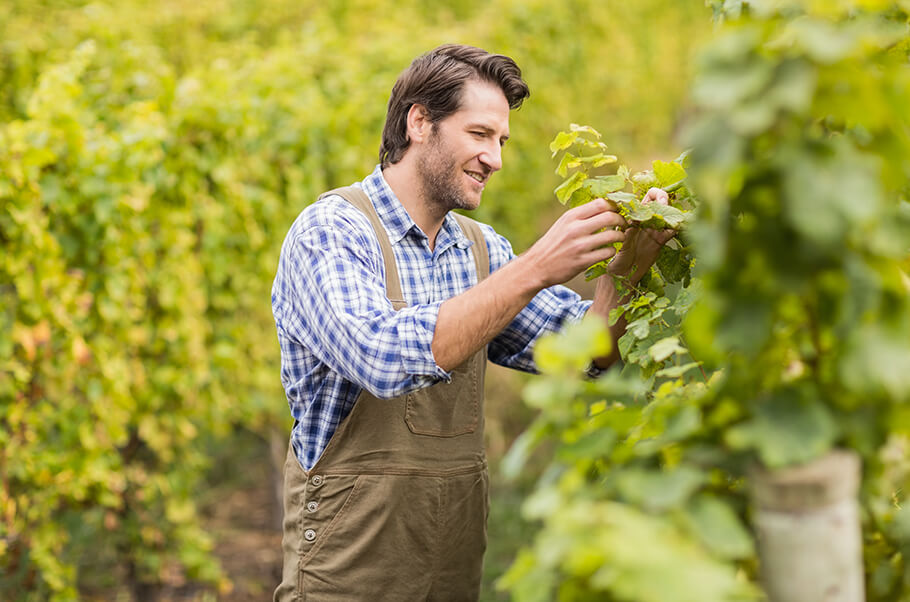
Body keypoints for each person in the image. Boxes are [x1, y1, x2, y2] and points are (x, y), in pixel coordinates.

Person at [271, 44, 672, 601]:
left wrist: (625, 273)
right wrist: (536, 266)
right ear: (419, 123)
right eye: (480, 134)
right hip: (349, 573)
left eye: (502, 141)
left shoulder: (482, 251)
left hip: (452, 571)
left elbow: (590, 352)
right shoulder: (332, 232)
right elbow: (381, 358)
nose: (496, 158)